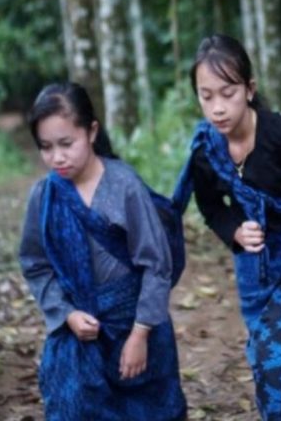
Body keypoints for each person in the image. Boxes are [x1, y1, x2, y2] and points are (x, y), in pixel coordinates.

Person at [172, 34, 281, 421]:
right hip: (256, 269)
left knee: (279, 354)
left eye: (228, 92)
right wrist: (234, 228)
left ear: (249, 90)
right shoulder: (207, 151)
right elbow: (210, 204)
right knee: (265, 354)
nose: (217, 108)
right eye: (206, 96)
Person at [19, 82, 187, 421]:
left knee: (150, 410)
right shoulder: (44, 196)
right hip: (80, 333)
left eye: (67, 143)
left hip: (136, 327)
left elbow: (156, 265)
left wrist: (140, 335)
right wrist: (66, 313)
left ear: (92, 131)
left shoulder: (125, 186)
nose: (57, 157)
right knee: (75, 406)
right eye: (46, 147)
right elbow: (35, 264)